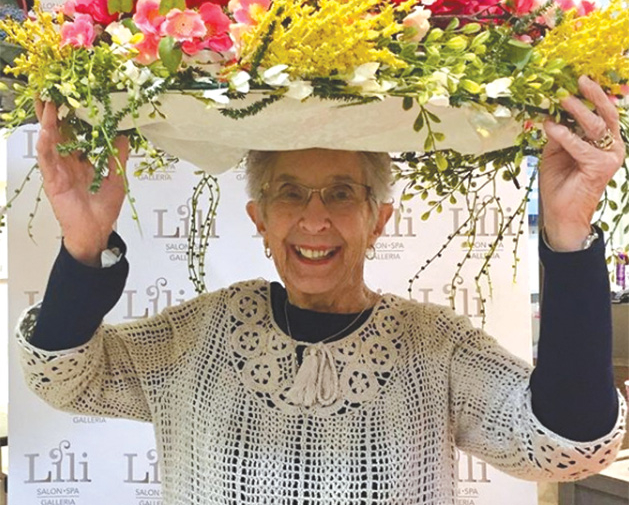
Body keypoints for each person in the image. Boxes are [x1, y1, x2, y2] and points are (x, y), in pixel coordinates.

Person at [16, 75, 627, 505]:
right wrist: (84, 243)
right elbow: (65, 374)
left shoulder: (434, 348)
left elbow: (567, 446)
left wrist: (567, 235)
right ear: (260, 219)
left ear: (377, 219)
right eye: (289, 193)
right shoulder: (200, 336)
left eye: (340, 193)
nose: (314, 220)